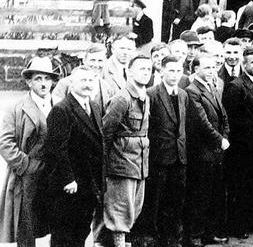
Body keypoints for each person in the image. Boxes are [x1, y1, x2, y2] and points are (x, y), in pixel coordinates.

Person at [41, 66, 104, 247]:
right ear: (72, 83)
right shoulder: (62, 109)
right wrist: (68, 179)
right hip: (70, 186)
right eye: (83, 80)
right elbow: (56, 149)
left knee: (81, 232)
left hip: (89, 184)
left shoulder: (94, 106)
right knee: (64, 235)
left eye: (91, 80)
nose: (87, 84)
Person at [0, 57, 57, 247]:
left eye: (47, 79)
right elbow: (5, 143)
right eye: (38, 78)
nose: (43, 83)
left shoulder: (59, 106)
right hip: (26, 177)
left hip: (53, 175)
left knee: (54, 224)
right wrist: (26, 166)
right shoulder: (16, 108)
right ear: (29, 82)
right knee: (26, 226)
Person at [133, 56, 187, 247]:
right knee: (155, 200)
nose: (174, 75)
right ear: (161, 71)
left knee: (175, 200)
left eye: (178, 71)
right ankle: (153, 238)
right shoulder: (152, 94)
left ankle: (171, 238)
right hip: (159, 157)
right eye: (170, 70)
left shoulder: (182, 95)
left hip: (179, 157)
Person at [221, 46, 253, 237]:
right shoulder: (236, 86)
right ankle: (238, 227)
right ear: (244, 64)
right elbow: (230, 119)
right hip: (241, 148)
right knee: (240, 187)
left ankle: (251, 222)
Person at [102, 54, 153, 247]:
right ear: (129, 72)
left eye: (148, 69)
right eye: (141, 69)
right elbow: (105, 132)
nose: (145, 72)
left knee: (134, 207)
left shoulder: (144, 95)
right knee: (120, 210)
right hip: (121, 162)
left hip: (139, 162)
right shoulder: (122, 98)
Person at [184, 54, 230, 247]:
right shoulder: (192, 91)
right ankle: (195, 235)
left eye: (214, 68)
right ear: (196, 69)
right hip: (202, 152)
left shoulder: (212, 87)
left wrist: (225, 136)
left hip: (216, 151)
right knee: (199, 195)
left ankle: (208, 233)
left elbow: (223, 116)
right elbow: (201, 122)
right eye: (208, 68)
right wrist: (220, 140)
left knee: (213, 194)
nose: (212, 71)